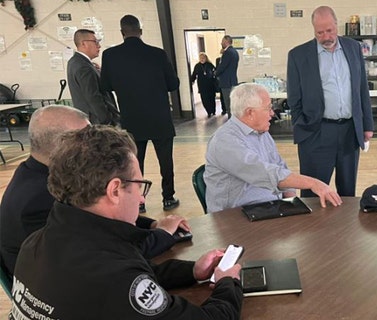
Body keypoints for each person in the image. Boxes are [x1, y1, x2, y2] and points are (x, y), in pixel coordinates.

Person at [9, 125, 243, 319]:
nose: (142, 197)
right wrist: (227, 283)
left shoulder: (39, 241)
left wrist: (192, 271)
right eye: (140, 185)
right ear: (115, 190)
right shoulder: (110, 275)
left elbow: (135, 274)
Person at [0, 105, 188, 278]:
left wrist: (152, 225)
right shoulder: (39, 200)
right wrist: (162, 234)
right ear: (64, 145)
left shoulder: (37, 173)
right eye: (86, 138)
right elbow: (110, 251)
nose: (98, 144)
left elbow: (103, 216)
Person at [204, 83, 342, 212]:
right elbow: (266, 173)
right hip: (235, 218)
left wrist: (291, 200)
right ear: (250, 112)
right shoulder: (225, 141)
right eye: (268, 108)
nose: (272, 114)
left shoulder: (261, 132)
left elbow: (280, 167)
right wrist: (314, 183)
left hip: (267, 209)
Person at [287, 6, 374, 197]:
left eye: (329, 30)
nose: (326, 36)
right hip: (316, 133)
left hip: (349, 132)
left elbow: (361, 89)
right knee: (313, 194)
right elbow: (294, 98)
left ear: (336, 25)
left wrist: (367, 125)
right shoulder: (298, 55)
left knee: (347, 193)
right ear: (313, 30)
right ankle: (313, 228)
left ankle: (346, 227)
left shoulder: (353, 48)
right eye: (320, 32)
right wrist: (304, 127)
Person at [101, 14, 181, 213]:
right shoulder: (158, 54)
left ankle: (139, 202)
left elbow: (106, 85)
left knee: (134, 162)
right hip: (159, 118)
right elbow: (173, 84)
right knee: (166, 162)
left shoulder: (110, 56)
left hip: (132, 119)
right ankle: (168, 198)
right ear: (141, 31)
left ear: (122, 32)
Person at [66, 29, 119, 125]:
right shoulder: (84, 67)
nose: (99, 46)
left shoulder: (75, 62)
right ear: (84, 44)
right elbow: (93, 97)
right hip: (98, 122)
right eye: (95, 42)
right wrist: (107, 120)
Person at [214, 35, 238, 118]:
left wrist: (215, 73)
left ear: (226, 41)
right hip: (232, 81)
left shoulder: (227, 52)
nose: (221, 43)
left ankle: (231, 123)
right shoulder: (235, 51)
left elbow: (222, 66)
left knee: (228, 104)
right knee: (232, 103)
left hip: (226, 82)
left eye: (222, 41)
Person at [190, 52, 218, 118]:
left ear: (206, 58)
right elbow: (194, 74)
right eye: (201, 58)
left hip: (210, 84)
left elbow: (215, 72)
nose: (202, 59)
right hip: (202, 85)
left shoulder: (210, 65)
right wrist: (192, 80)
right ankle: (208, 111)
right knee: (204, 99)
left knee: (211, 98)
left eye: (203, 58)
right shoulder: (197, 66)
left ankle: (213, 111)